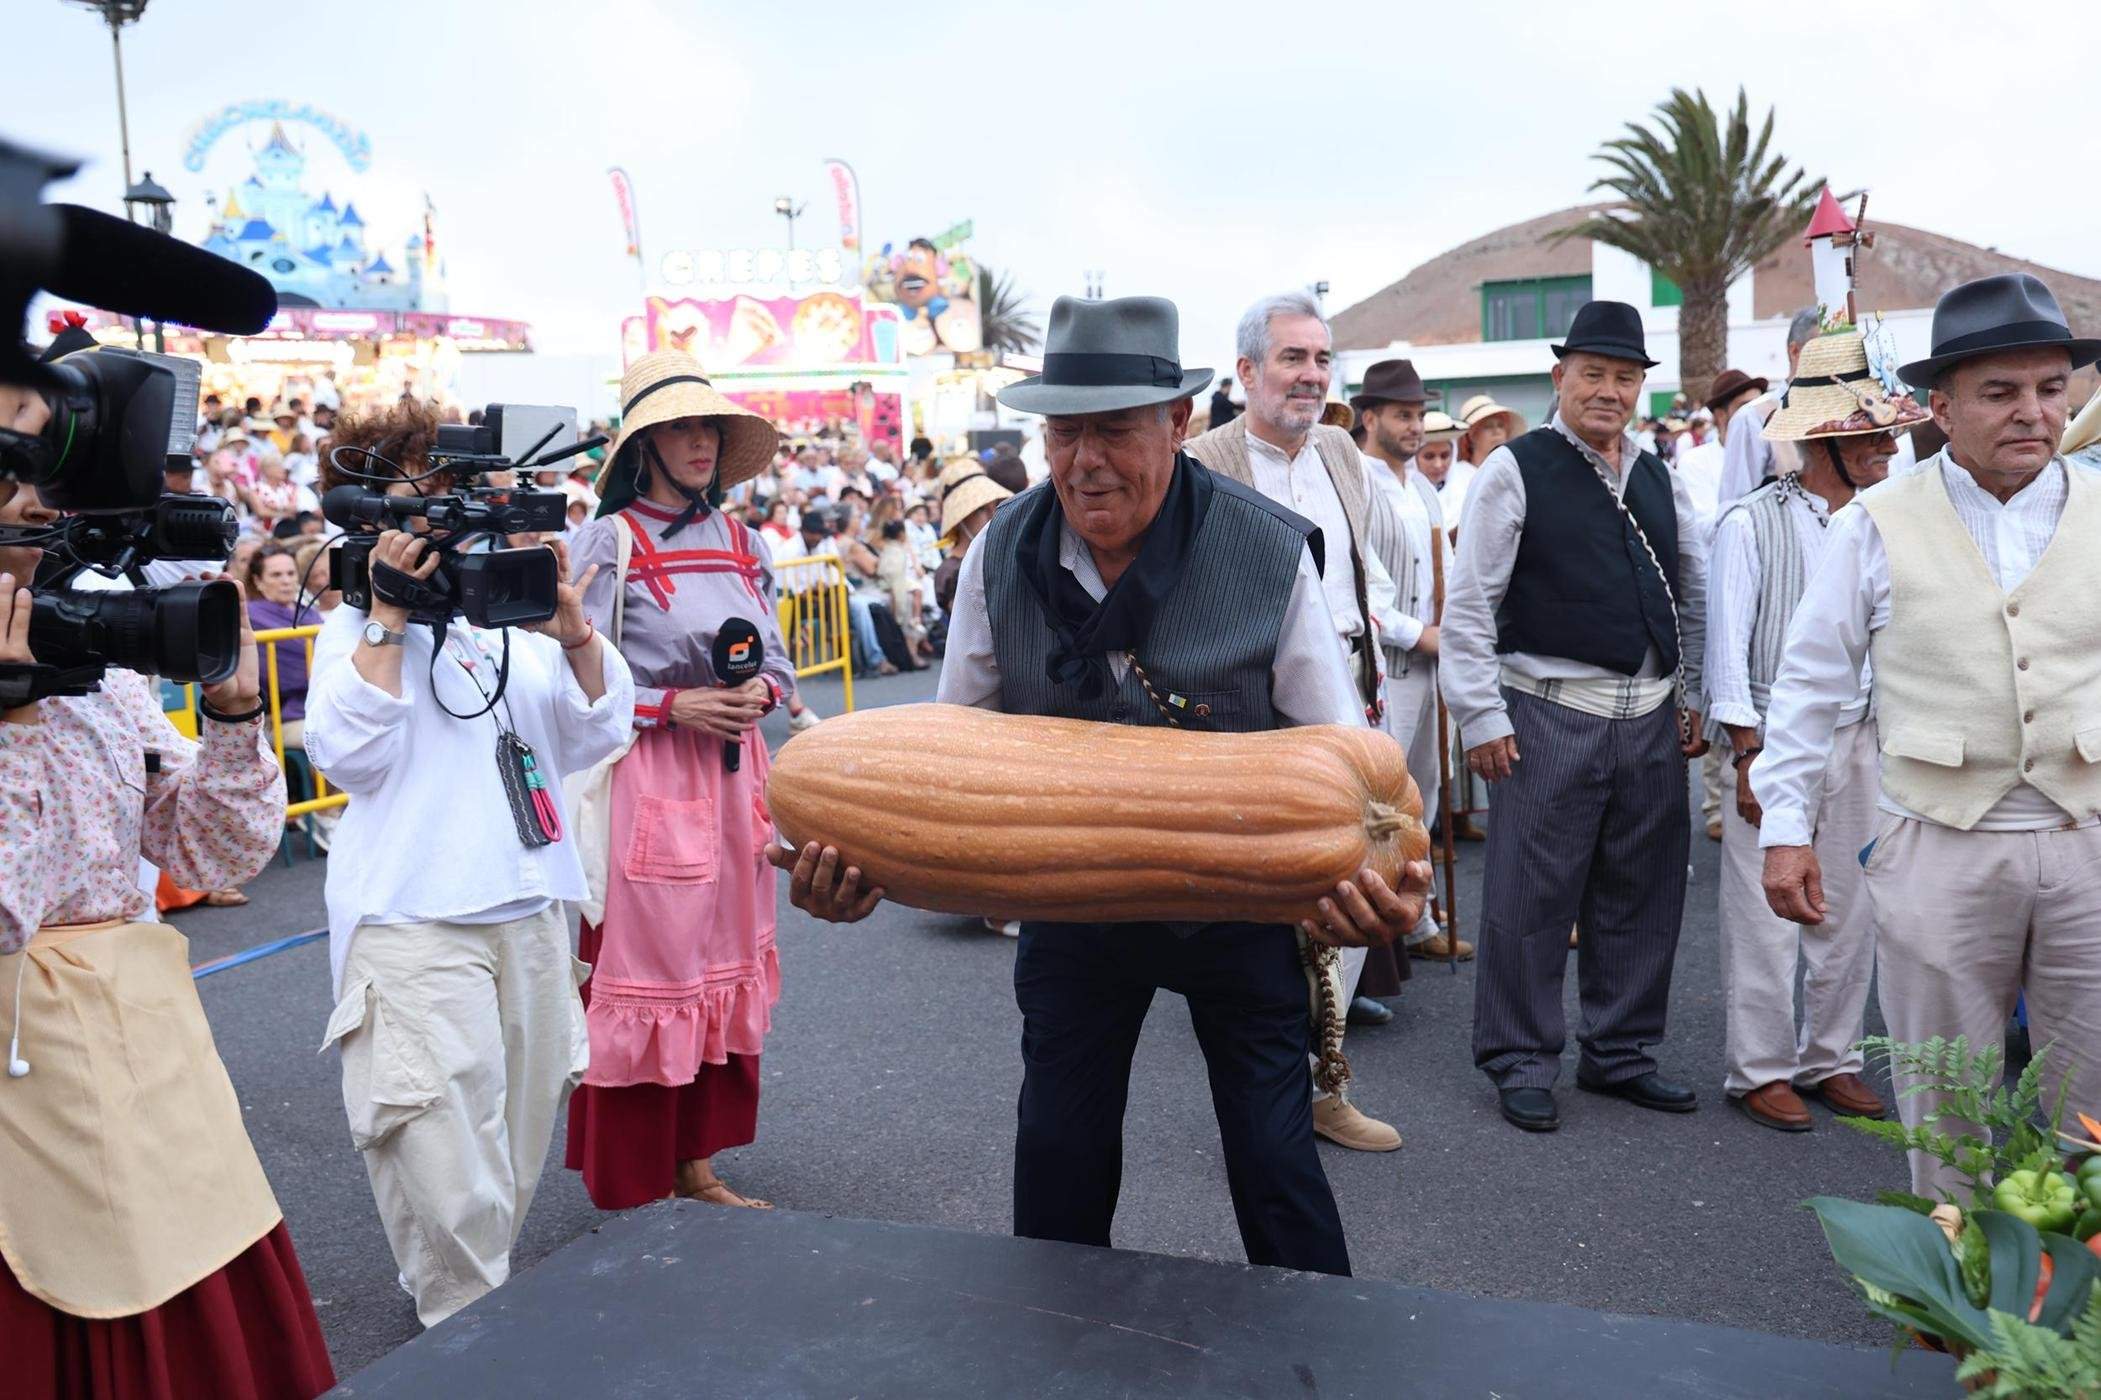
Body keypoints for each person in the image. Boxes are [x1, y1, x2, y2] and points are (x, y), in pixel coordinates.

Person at [775, 295, 1431, 1276]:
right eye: (1064, 431)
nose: (1084, 460)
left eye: (1112, 430)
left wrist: (1368, 870)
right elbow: (949, 753)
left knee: (1274, 1158)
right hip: (1074, 913)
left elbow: (1340, 748)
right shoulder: (1002, 551)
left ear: (1175, 422)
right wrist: (872, 860)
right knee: (1058, 1154)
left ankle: (1317, 1358)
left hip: (1235, 906)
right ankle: (1055, 1352)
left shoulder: (1265, 550)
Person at [0, 392, 334, 1397]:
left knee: (201, 1277)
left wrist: (235, 710)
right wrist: (13, 727)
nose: (40, 514)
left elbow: (214, 849)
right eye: (15, 493)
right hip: (24, 1068)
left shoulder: (100, 660)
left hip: (146, 1045)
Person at [1756, 274, 2101, 1197]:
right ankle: (1956, 1317)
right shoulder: (1872, 524)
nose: (2031, 412)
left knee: (2093, 1115)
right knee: (1947, 1111)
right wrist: (1785, 829)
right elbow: (1807, 683)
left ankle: (2073, 1329)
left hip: (2087, 843)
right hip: (1939, 846)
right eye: (2000, 392)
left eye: (2048, 389)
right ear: (1940, 409)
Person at [303, 398, 636, 1328]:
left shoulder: (508, 626)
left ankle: (471, 1318)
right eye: (446, 496)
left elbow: (591, 735)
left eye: (479, 493)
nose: (470, 515)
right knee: (443, 1159)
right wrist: (385, 621)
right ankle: (464, 1333)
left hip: (529, 911)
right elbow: (347, 755)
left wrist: (570, 630)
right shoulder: (355, 628)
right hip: (414, 923)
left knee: (513, 1147)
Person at [1440, 300, 1709, 1134]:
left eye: (1623, 377)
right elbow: (1471, 605)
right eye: (1591, 374)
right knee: (1529, 895)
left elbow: (1693, 591)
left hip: (1649, 717)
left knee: (1642, 891)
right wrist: (1480, 717)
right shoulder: (1514, 469)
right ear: (1559, 378)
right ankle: (1520, 1060)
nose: (1608, 391)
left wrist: (1692, 690)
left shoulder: (1659, 473)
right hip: (1547, 714)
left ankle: (1619, 1054)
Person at [561, 352, 799, 1213]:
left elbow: (777, 659)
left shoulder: (743, 541)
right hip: (650, 778)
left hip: (737, 782)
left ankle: (695, 1167)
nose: (700, 443)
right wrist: (673, 706)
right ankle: (632, 1183)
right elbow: (575, 681)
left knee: (719, 960)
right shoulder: (605, 540)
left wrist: (759, 692)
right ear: (644, 445)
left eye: (710, 428)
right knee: (653, 963)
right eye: (681, 429)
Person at [1186, 290, 1408, 1155]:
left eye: (1321, 360)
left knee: (1349, 885)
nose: (1311, 376)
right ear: (1246, 372)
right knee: (1268, 911)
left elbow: (1361, 578)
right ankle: (1276, 1100)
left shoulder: (1344, 454)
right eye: (1292, 359)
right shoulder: (1200, 461)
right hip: (1254, 714)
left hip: (1350, 695)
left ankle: (1324, 1081)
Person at [1705, 329, 1919, 1132]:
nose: (1887, 449)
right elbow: (1727, 648)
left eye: (1888, 433)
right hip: (1774, 743)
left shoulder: (1884, 525)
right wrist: (1748, 754)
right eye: (1870, 434)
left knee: (1851, 905)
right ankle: (1759, 1067)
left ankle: (1829, 1057)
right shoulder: (1748, 523)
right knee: (1763, 914)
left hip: (1865, 737)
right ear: (1825, 440)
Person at [1351, 360, 1471, 984]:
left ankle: (1416, 918)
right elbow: (1359, 585)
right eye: (1403, 414)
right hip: (1390, 667)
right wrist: (1416, 633)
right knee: (1384, 807)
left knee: (1422, 798)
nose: (1415, 427)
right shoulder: (1359, 482)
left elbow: (1445, 567)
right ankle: (1377, 937)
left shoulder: (1421, 486)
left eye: (1419, 415)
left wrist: (1451, 628)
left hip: (1433, 663)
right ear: (1368, 418)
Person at [1680, 367, 1769, 841]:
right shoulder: (1696, 463)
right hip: (1716, 586)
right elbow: (1697, 528)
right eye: (1738, 411)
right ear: (1718, 418)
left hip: (1759, 588)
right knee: (1723, 688)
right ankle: (1716, 799)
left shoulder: (1771, 451)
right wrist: (1743, 513)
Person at [1719, 308, 1820, 505]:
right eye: (1823, 351)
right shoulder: (1752, 418)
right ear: (1795, 351)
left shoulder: (1850, 417)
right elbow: (1735, 507)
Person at [246, 540, 312, 751]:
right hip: (284, 717)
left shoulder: (308, 610)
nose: (286, 581)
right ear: (258, 581)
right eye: (276, 575)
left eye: (291, 573)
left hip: (325, 705)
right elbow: (292, 673)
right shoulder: (250, 615)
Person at [932, 458, 1011, 617]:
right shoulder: (951, 572)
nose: (992, 514)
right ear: (961, 518)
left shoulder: (998, 552)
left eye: (995, 504)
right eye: (980, 509)